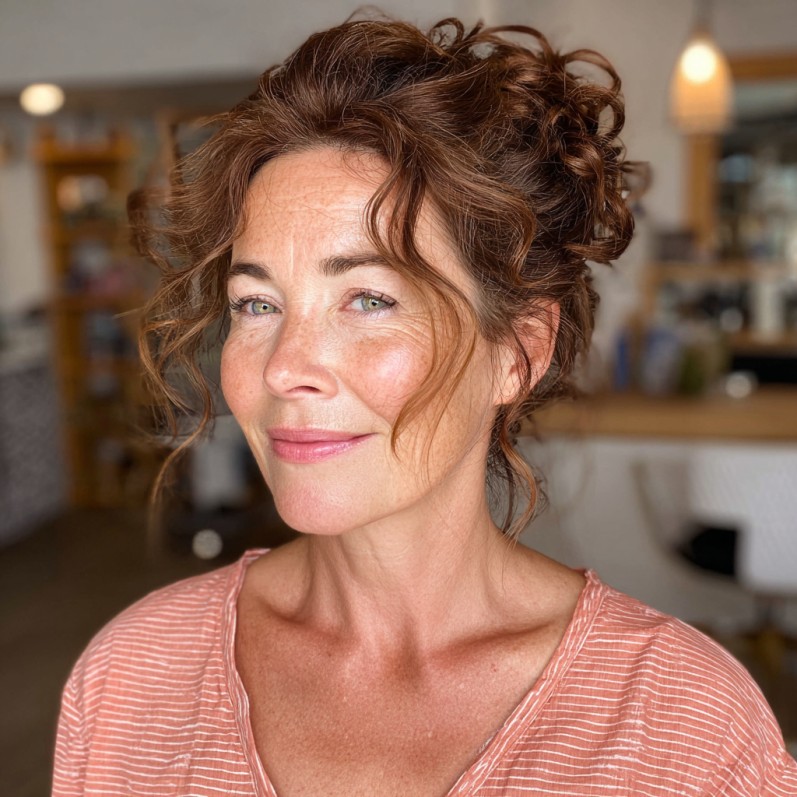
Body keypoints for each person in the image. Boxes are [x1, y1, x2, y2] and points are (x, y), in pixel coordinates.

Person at [53, 16, 796, 797]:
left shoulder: (682, 726)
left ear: (517, 351)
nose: (286, 368)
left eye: (369, 299)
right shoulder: (130, 677)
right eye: (256, 304)